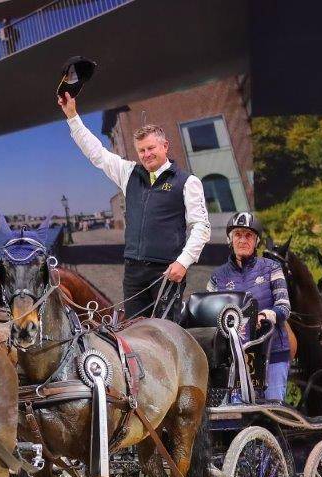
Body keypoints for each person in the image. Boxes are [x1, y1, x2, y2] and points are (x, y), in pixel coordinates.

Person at [59, 92, 211, 319]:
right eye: (141, 150)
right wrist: (72, 116)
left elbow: (201, 227)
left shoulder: (187, 182)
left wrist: (183, 262)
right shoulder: (129, 173)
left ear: (165, 146)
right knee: (133, 330)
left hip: (167, 272)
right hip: (133, 271)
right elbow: (97, 153)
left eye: (151, 148)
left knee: (164, 332)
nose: (146, 154)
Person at [207, 212, 291, 403]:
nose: (243, 240)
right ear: (230, 239)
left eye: (249, 235)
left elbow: (284, 307)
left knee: (272, 409)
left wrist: (264, 316)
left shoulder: (272, 268)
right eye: (238, 234)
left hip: (273, 352)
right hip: (233, 358)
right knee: (237, 411)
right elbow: (211, 316)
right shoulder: (217, 277)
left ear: (257, 241)